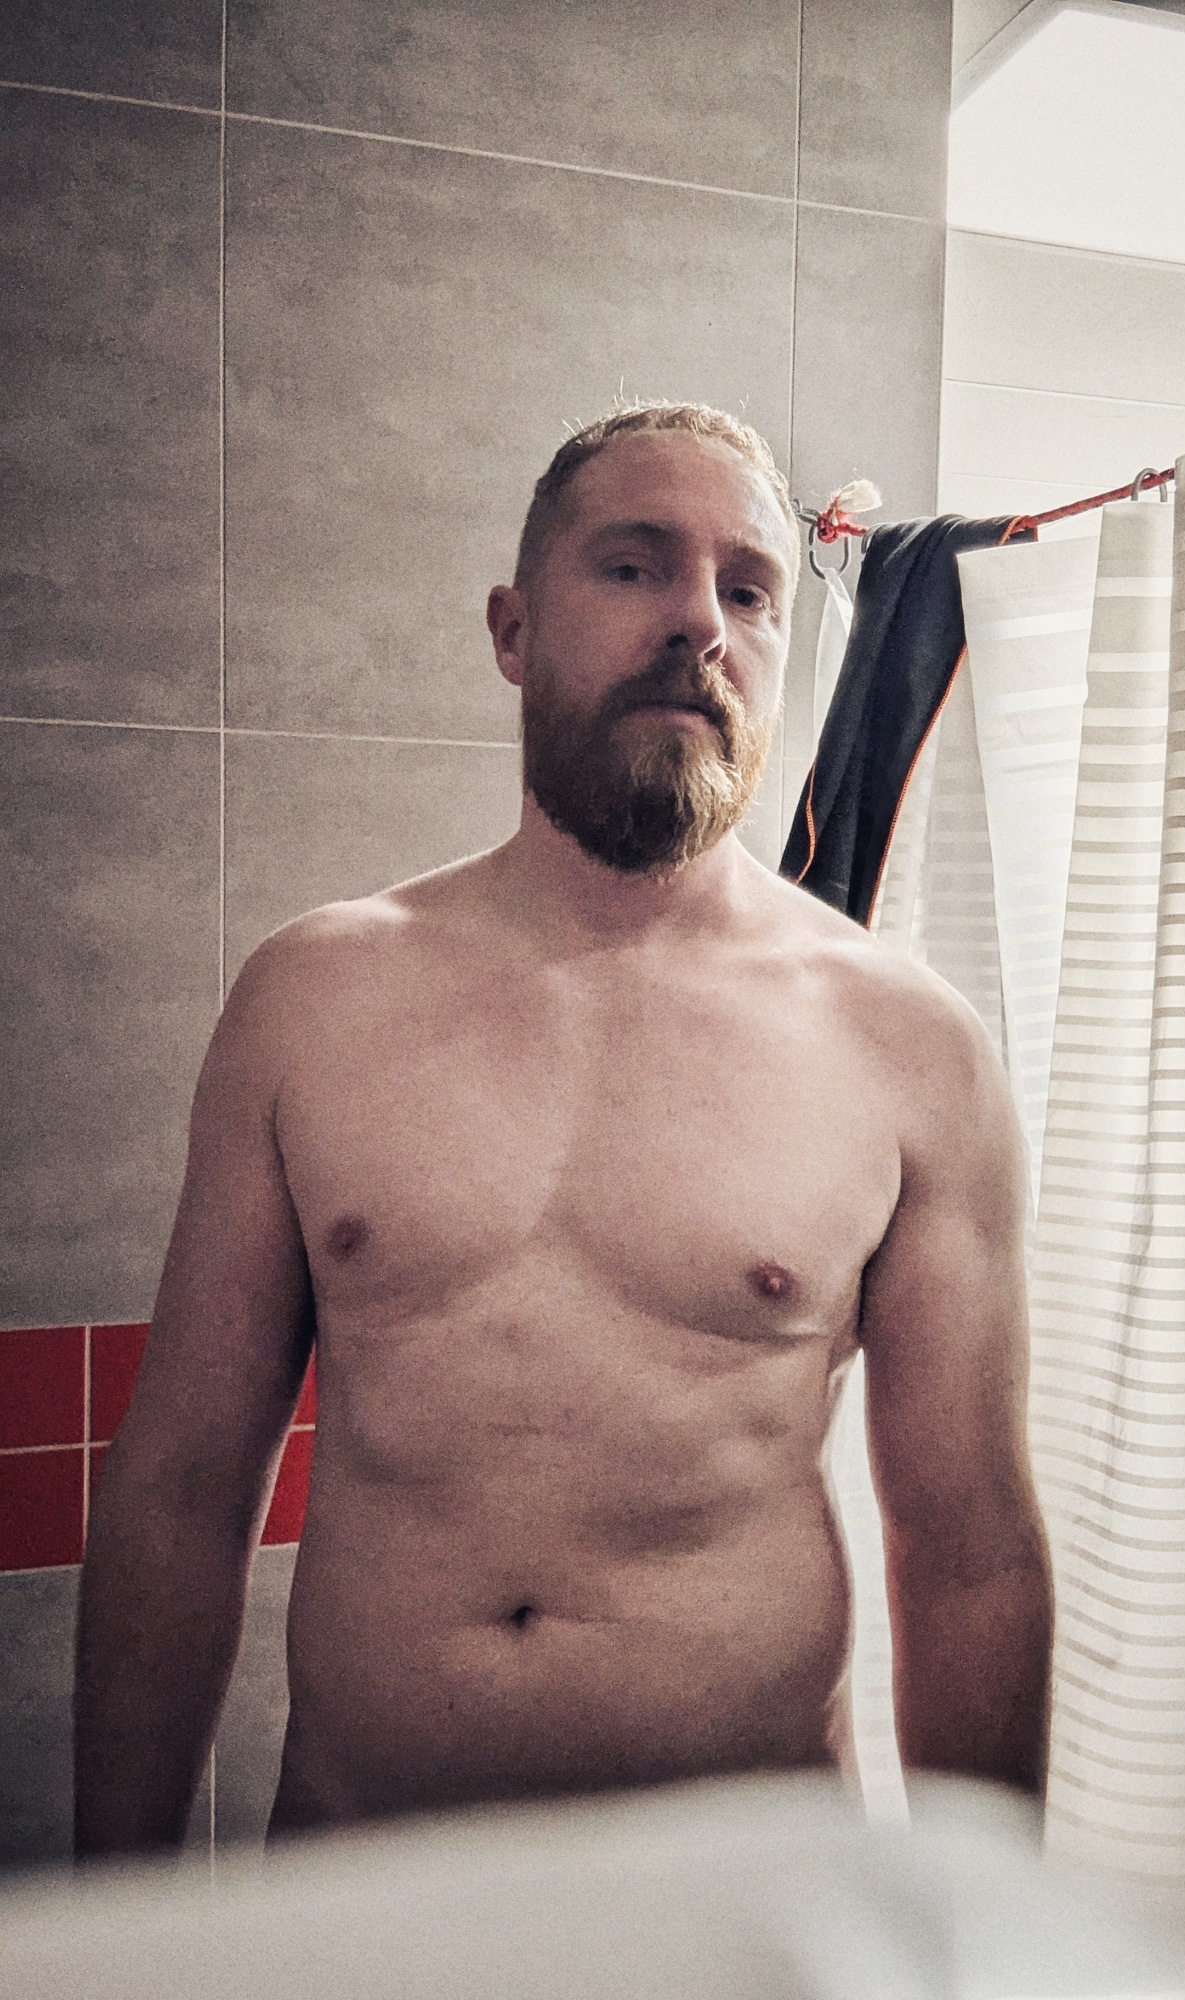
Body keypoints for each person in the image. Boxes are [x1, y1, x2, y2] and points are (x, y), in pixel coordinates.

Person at [74, 403, 1053, 1854]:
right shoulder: (313, 1000)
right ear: (513, 630)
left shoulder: (909, 1048)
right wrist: (125, 1906)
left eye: (749, 591)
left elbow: (968, 1554)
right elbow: (180, 1496)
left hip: (741, 1897)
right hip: (373, 1886)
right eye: (635, 566)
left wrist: (982, 1920)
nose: (699, 622)